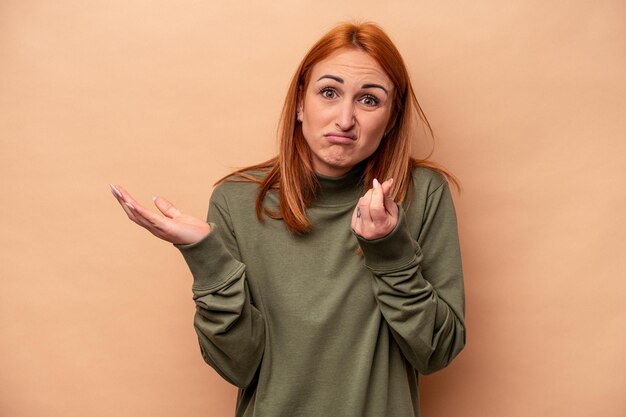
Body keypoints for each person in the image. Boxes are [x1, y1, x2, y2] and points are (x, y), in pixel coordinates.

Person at [111, 21, 465, 417]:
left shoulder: (421, 193)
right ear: (300, 103)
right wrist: (207, 259)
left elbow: (437, 351)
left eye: (369, 100)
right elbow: (237, 364)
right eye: (329, 93)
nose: (345, 119)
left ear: (392, 117)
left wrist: (390, 249)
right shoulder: (237, 200)